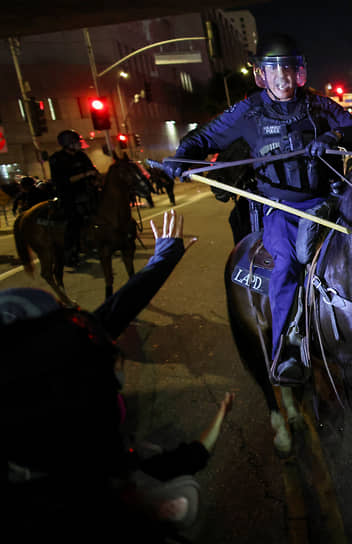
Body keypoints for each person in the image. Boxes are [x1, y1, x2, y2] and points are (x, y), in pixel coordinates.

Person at [1, 210, 235, 542]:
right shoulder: (83, 485)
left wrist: (162, 260)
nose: (117, 376)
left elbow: (109, 317)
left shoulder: (64, 430)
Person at [163, 33, 352, 384]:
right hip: (282, 209)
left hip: (328, 201)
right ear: (262, 75)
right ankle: (284, 350)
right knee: (287, 263)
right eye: (274, 69)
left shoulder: (319, 105)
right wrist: (181, 157)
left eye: (289, 68)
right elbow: (204, 139)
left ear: (299, 72)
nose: (283, 76)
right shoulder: (248, 110)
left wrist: (332, 138)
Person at [48, 129, 100, 266]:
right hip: (68, 194)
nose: (79, 144)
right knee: (74, 220)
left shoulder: (81, 156)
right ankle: (69, 252)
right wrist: (84, 175)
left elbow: (92, 170)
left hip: (86, 191)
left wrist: (95, 177)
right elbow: (62, 181)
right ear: (68, 144)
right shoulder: (57, 159)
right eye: (77, 142)